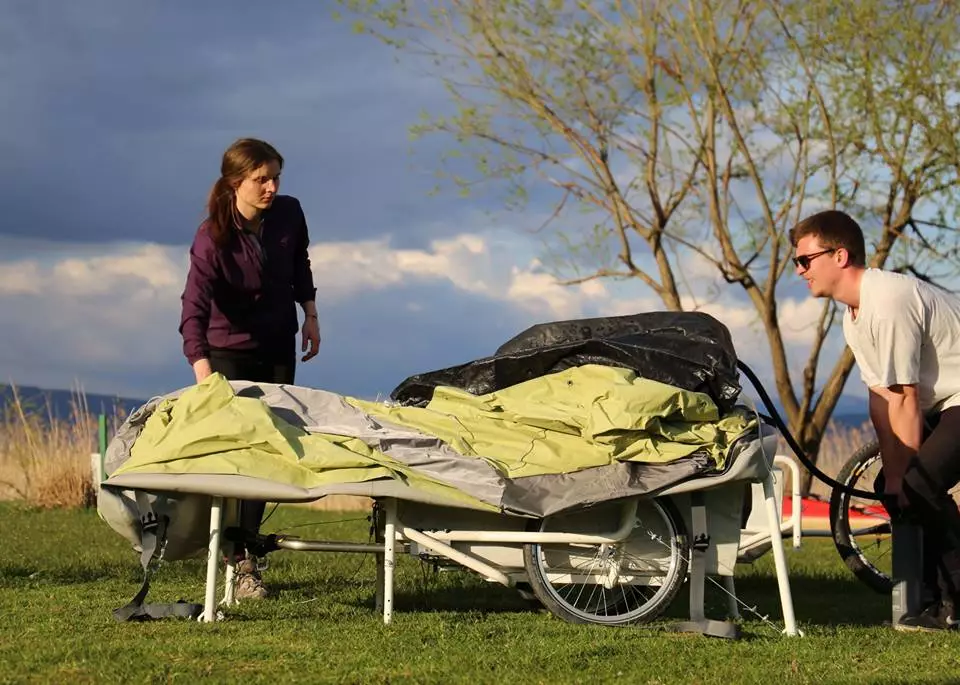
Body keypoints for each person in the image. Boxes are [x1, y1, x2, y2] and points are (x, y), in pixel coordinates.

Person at [790, 209, 960, 632]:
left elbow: (904, 397)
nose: (799, 271)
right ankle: (930, 604)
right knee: (895, 486)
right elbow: (881, 400)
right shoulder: (853, 317)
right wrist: (895, 477)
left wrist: (909, 478)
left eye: (805, 260)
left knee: (919, 484)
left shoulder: (888, 300)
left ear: (840, 256)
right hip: (942, 402)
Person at [179, 137, 321, 599]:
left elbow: (299, 262)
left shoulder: (290, 212)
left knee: (271, 452)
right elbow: (192, 310)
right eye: (262, 179)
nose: (272, 187)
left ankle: (245, 557)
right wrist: (204, 374)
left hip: (278, 347)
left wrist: (311, 314)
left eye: (276, 176)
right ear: (235, 182)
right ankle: (239, 561)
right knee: (236, 455)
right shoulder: (211, 236)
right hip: (227, 354)